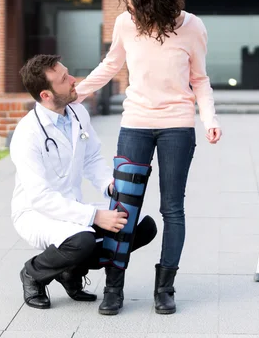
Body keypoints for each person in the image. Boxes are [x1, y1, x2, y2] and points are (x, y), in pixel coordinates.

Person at [73, 0, 222, 315]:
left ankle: (165, 288)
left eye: (137, 5)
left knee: (172, 208)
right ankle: (113, 287)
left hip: (177, 126)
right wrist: (76, 94)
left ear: (155, 3)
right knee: (123, 208)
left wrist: (209, 119)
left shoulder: (192, 26)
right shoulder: (126, 23)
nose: (131, 11)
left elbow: (199, 79)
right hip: (136, 123)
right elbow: (111, 65)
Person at [9, 54, 157, 315]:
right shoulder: (27, 134)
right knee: (84, 242)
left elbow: (92, 159)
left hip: (73, 208)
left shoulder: (77, 112)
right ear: (45, 94)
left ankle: (70, 271)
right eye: (64, 79)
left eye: (67, 73)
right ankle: (33, 272)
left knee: (143, 226)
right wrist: (96, 216)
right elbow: (40, 198)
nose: (73, 80)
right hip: (36, 213)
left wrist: (111, 186)